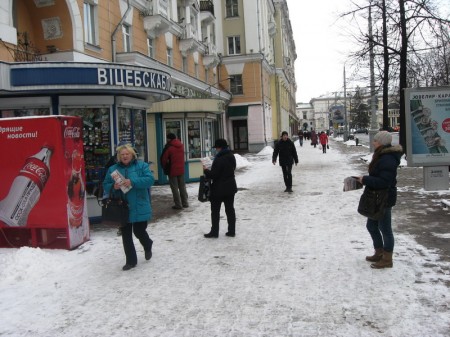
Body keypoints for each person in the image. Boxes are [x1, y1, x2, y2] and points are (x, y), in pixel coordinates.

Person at [103, 143, 155, 271]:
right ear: (119, 156)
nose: (125, 156)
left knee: (139, 231)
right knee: (126, 234)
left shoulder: (142, 166)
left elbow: (150, 180)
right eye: (122, 154)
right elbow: (105, 184)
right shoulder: (113, 169)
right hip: (122, 206)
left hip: (139, 205)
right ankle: (131, 261)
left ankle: (147, 244)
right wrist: (112, 187)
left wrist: (133, 181)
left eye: (127, 154)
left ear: (132, 155)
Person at [356, 131, 403, 269]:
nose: (373, 142)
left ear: (382, 143)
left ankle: (387, 259)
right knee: (371, 226)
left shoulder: (387, 158)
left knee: (385, 229)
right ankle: (379, 252)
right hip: (376, 197)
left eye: (375, 140)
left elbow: (384, 181)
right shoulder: (382, 155)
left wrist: (365, 179)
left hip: (384, 198)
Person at [203, 139, 237, 238]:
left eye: (216, 148)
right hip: (230, 187)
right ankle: (231, 231)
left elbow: (214, 175)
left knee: (215, 211)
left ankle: (214, 232)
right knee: (230, 210)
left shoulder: (219, 159)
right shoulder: (231, 156)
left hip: (219, 189)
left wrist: (206, 170)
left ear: (220, 147)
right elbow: (232, 168)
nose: (216, 150)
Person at [160, 133, 189, 210]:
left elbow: (164, 159)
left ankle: (178, 205)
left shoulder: (169, 147)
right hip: (181, 169)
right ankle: (185, 203)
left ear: (169, 139)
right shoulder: (181, 146)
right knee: (182, 186)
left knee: (174, 188)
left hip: (172, 170)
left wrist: (164, 166)